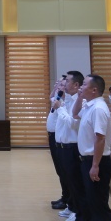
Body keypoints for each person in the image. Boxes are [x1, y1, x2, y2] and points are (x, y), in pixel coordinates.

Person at [71, 74, 111, 221]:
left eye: (84, 85)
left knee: (100, 207)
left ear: (94, 89)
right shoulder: (89, 105)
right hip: (87, 161)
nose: (81, 87)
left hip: (97, 162)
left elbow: (100, 138)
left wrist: (95, 165)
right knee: (93, 204)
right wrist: (79, 97)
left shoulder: (98, 109)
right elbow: (74, 114)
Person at [47, 72, 82, 212]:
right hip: (61, 142)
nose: (61, 86)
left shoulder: (77, 102)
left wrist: (60, 107)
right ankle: (70, 203)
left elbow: (72, 123)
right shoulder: (65, 100)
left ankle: (74, 207)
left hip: (71, 145)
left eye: (64, 83)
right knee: (65, 174)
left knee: (73, 179)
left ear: (76, 85)